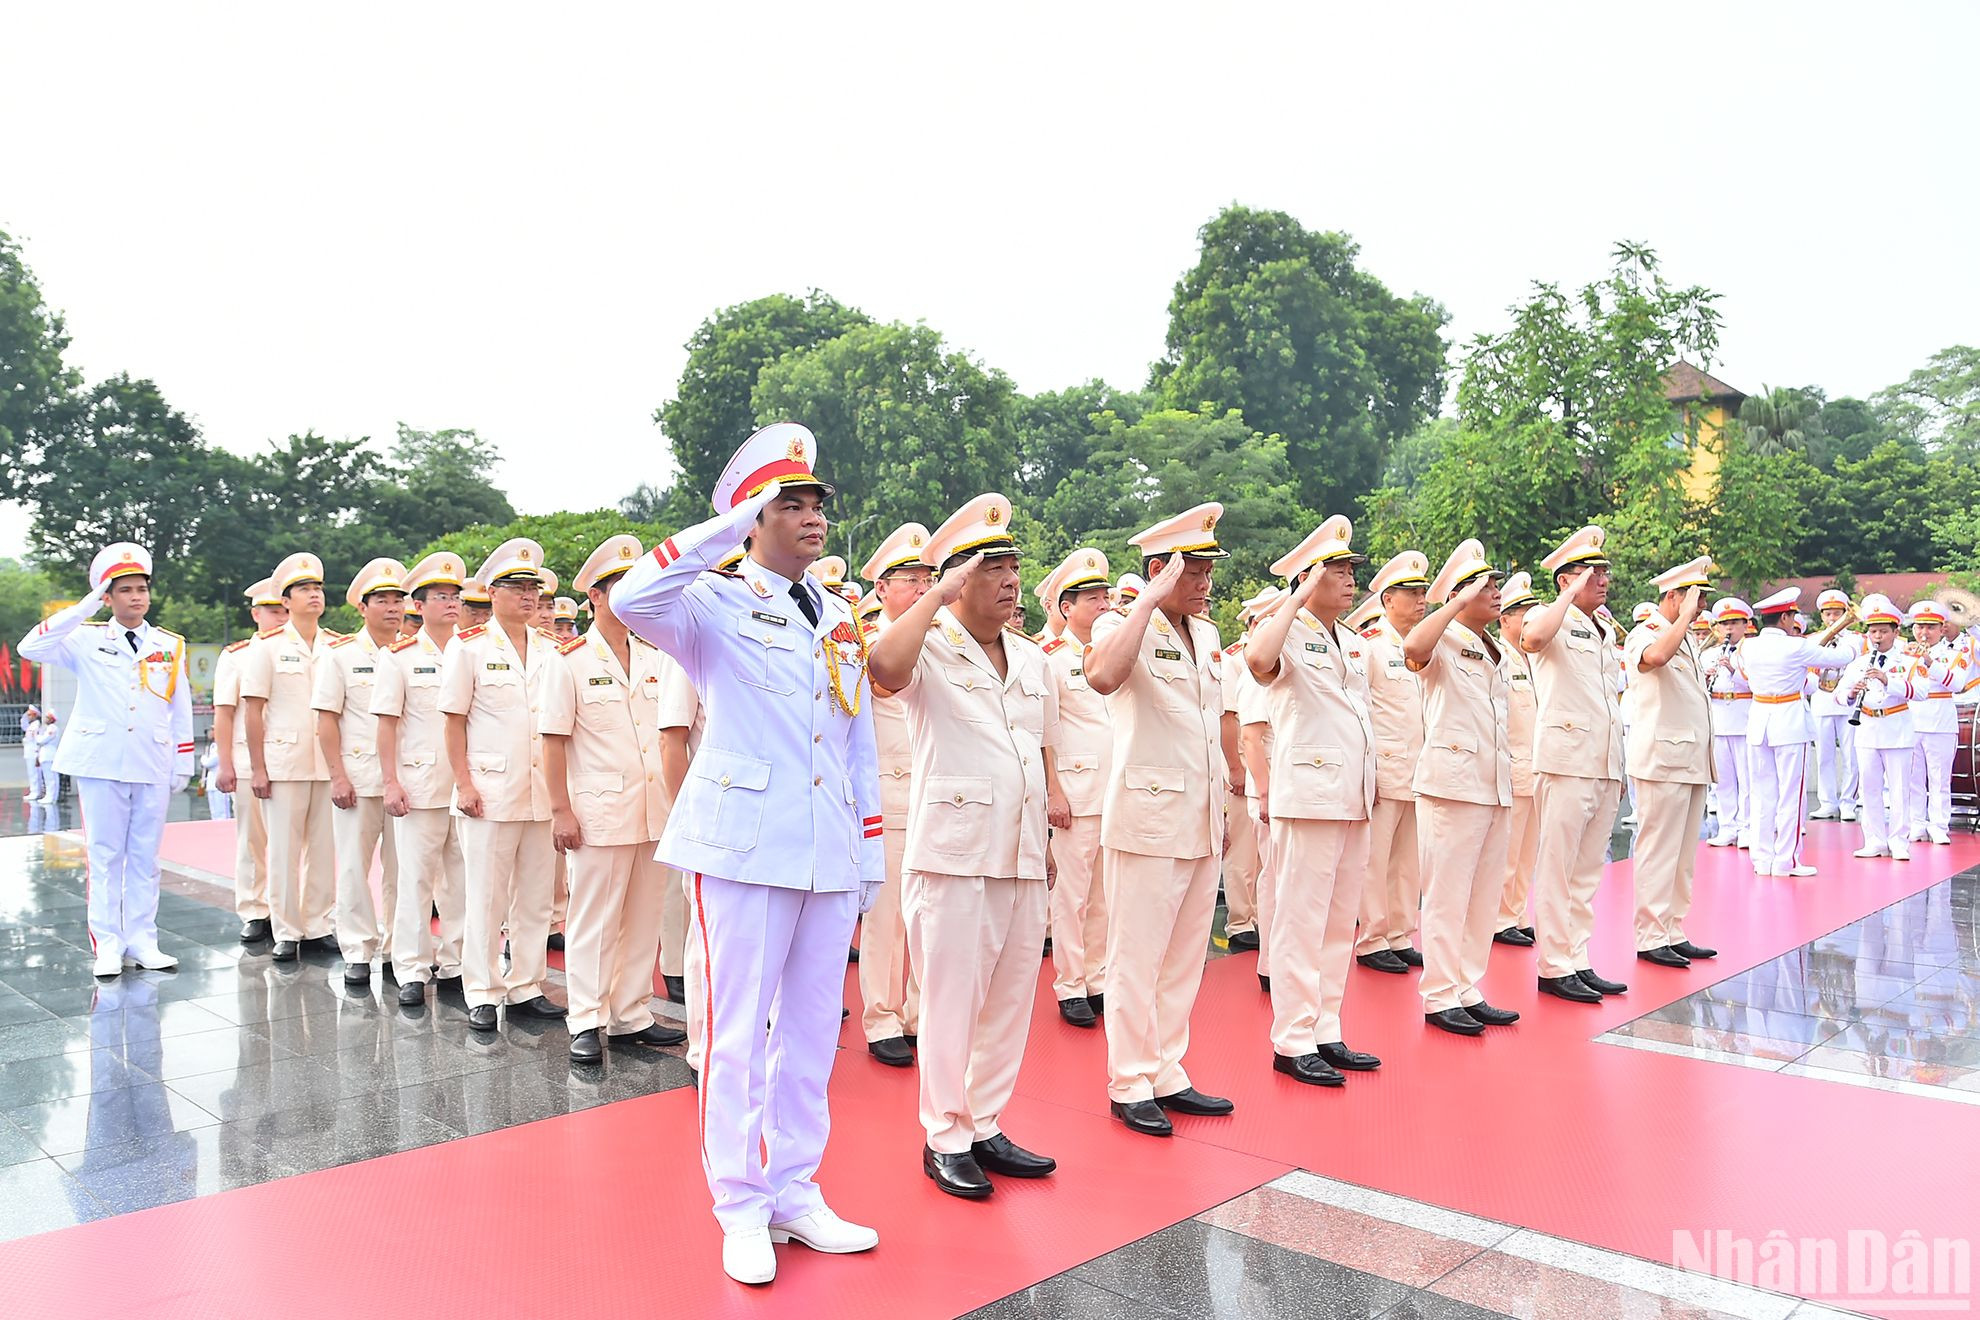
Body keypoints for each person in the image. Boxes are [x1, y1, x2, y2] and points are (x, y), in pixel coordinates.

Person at [611, 423, 882, 1285]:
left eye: (816, 505)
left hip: (825, 851)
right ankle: (738, 1201)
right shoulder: (712, 605)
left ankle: (796, 1188)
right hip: (741, 849)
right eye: (790, 505)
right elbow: (632, 599)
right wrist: (724, 527)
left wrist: (868, 849)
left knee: (807, 1035)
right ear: (755, 517)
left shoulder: (840, 616)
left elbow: (855, 742)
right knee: (734, 1034)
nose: (812, 519)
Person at [868, 493, 1069, 1198]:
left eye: (1014, 565)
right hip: (953, 855)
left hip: (1018, 852)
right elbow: (884, 671)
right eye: (993, 567)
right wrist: (934, 599)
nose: (1011, 580)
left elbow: (1034, 747)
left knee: (1012, 1001)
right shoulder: (928, 640)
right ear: (958, 579)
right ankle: (945, 1135)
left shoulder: (1031, 658)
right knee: (952, 1004)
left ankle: (985, 1122)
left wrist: (1043, 826)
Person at [1083, 502, 1234, 1135]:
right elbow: (1101, 676)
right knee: (1136, 956)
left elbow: (1207, 727)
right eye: (1192, 570)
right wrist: (1145, 603)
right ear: (1159, 569)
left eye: (1206, 570)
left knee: (1183, 956)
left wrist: (1223, 803)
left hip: (1199, 818)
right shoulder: (1120, 624)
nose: (1203, 583)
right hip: (1146, 818)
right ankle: (1128, 1078)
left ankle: (1168, 1068)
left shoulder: (1207, 634)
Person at [541, 533, 691, 1062]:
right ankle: (586, 1017)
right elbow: (553, 741)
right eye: (618, 587)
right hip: (597, 811)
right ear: (596, 597)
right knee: (594, 918)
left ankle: (631, 1013)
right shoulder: (569, 660)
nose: (630, 597)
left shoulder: (655, 656)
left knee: (645, 915)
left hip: (652, 811)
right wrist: (560, 809)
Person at [1244, 515, 1381, 1081]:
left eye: (1352, 569)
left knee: (1336, 921)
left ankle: (1327, 1028)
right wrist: (1294, 600)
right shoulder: (1287, 630)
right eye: (1338, 570)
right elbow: (1257, 663)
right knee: (1301, 920)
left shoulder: (1350, 640)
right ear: (1309, 579)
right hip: (1310, 794)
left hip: (1352, 795)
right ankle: (1293, 1039)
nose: (1351, 580)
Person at [19, 542, 193, 976]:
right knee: (104, 855)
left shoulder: (169, 645)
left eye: (142, 589)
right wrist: (83, 607)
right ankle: (108, 945)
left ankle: (143, 939)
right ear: (108, 596)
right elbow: (30, 648)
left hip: (151, 760)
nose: (136, 597)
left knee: (145, 858)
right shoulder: (84, 637)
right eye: (125, 590)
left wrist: (184, 761)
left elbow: (180, 706)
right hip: (99, 761)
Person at [440, 538, 565, 1031]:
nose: (528, 596)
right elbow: (452, 721)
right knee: (486, 898)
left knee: (534, 898)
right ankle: (483, 991)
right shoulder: (468, 647)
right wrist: (463, 784)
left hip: (540, 793)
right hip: (488, 793)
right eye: (516, 587)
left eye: (533, 587)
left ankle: (526, 985)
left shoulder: (553, 649)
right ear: (493, 593)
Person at [1405, 540, 1521, 1036]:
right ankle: (1438, 995)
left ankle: (1466, 986)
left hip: (1492, 785)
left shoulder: (1493, 645)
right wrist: (1452, 602)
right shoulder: (1444, 636)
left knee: (1481, 895)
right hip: (1452, 787)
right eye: (1486, 586)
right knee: (1448, 896)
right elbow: (1412, 648)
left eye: (1495, 584)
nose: (1496, 593)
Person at [1519, 525, 1627, 1005]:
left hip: (1601, 762)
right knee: (1558, 867)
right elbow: (1533, 639)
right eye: (1591, 573)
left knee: (1587, 871)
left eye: (1604, 572)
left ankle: (1577, 958)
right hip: (1565, 762)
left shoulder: (1603, 627)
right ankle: (1554, 965)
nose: (1602, 580)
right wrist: (1566, 597)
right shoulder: (1551, 616)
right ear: (1566, 579)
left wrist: (1617, 768)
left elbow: (1609, 702)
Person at [375, 552, 470, 1006]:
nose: (451, 604)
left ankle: (456, 962)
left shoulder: (472, 648)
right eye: (441, 597)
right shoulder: (400, 658)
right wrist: (390, 781)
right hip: (420, 785)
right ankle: (411, 967)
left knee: (463, 880)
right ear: (420, 604)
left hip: (470, 784)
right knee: (415, 880)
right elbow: (387, 724)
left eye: (456, 596)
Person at [853, 521, 933, 1066]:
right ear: (882, 588)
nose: (923, 587)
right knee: (885, 919)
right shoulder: (860, 639)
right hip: (886, 797)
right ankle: (881, 1016)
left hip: (935, 796)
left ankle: (919, 1013)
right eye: (910, 578)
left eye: (928, 577)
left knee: (930, 917)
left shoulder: (942, 635)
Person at [312, 558, 407, 985]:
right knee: (353, 867)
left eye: (398, 600)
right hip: (359, 778)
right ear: (363, 607)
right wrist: (337, 776)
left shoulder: (415, 652)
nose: (392, 608)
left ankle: (396, 949)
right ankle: (356, 947)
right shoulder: (341, 656)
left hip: (409, 780)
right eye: (382, 601)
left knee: (404, 870)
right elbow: (326, 720)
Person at [240, 553, 340, 962]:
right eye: (304, 589)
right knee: (282, 849)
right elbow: (252, 709)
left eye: (317, 588)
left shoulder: (336, 645)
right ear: (285, 601)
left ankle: (318, 924)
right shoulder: (267, 646)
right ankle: (286, 929)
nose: (314, 595)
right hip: (284, 763)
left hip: (328, 763)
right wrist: (258, 768)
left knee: (323, 848)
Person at [1622, 558, 1717, 969]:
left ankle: (1672, 928)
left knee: (1682, 854)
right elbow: (1657, 658)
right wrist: (1684, 620)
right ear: (1673, 596)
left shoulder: (1687, 637)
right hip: (1662, 760)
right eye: (1694, 598)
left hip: (1689, 758)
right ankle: (1650, 934)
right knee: (1658, 849)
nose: (1700, 607)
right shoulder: (1647, 632)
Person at [1038, 548, 1114, 1025]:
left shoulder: (1109, 652)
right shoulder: (1049, 657)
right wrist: (1054, 791)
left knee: (1107, 894)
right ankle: (1069, 984)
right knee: (1072, 894)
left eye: (1105, 596)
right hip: (1075, 790)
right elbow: (1045, 730)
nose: (1104, 604)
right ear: (1067, 607)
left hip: (1115, 790)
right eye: (1092, 597)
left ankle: (1098, 976)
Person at [1738, 588, 1854, 878]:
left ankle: (1761, 859)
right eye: (1792, 616)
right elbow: (1842, 658)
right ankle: (1785, 861)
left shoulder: (1747, 646)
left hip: (1759, 721)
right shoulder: (1796, 647)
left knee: (1763, 795)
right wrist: (1849, 640)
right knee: (1791, 795)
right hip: (1789, 722)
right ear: (1786, 617)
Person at [1355, 550, 1430, 974]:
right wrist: (1368, 771)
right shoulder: (1371, 647)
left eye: (1423, 592)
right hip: (1384, 768)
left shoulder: (1421, 644)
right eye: (1412, 592)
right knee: (1375, 859)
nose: (1421, 600)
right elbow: (1360, 710)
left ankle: (1400, 933)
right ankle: (1372, 938)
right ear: (1388, 600)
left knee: (1408, 860)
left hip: (1418, 769)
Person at [212, 578, 287, 941]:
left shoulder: (308, 649)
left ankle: (297, 914)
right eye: (273, 611)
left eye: (285, 610)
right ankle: (256, 909)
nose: (281, 617)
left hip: (295, 761)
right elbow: (225, 713)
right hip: (247, 762)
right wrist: (224, 763)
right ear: (255, 613)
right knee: (253, 839)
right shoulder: (237, 655)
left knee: (299, 844)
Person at [1219, 586, 1279, 958]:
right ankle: (1240, 920)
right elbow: (1230, 719)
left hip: (1272, 764)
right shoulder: (1232, 661)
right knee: (1242, 850)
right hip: (1244, 763)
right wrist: (1236, 768)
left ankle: (1257, 915)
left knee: (1263, 857)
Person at [1842, 594, 1916, 861]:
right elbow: (1839, 695)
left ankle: (1899, 841)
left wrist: (1888, 680)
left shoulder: (1908, 660)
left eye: (1883, 631)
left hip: (1897, 727)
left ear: (1895, 632)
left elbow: (1921, 691)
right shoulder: (1859, 662)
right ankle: (1874, 840)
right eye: (1873, 631)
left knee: (1898, 789)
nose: (1877, 637)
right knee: (1869, 788)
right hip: (1867, 728)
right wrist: (1851, 693)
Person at [1493, 573, 1540, 947]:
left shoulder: (1535, 658)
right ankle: (1499, 917)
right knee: (1507, 852)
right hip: (1511, 768)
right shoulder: (1500, 658)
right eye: (1521, 612)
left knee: (1528, 852)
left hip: (1537, 768)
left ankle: (1518, 911)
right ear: (1504, 619)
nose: (1528, 619)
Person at [1703, 599, 1755, 848]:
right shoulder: (1709, 654)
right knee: (1723, 780)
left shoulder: (1753, 652)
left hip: (1744, 719)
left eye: (1734, 623)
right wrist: (1704, 680)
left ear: (1746, 624)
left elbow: (1758, 685)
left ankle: (1747, 827)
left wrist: (1734, 672)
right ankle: (1727, 827)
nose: (1729, 629)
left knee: (1747, 780)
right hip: (1719, 720)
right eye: (1724, 624)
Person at [1906, 600, 1958, 846]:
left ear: (1941, 629)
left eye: (1930, 627)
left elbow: (1956, 684)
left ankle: (1938, 825)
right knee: (1913, 777)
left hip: (1940, 721)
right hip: (1911, 719)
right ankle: (1916, 822)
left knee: (1939, 778)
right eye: (1919, 627)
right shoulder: (1905, 653)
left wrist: (1929, 661)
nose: (1923, 632)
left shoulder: (1952, 653)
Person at [1808, 588, 1863, 822]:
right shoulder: (1812, 640)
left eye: (1837, 613)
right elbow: (1809, 672)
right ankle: (1827, 802)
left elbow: (1853, 661)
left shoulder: (1855, 639)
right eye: (1828, 614)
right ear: (1822, 616)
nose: (1832, 618)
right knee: (1824, 755)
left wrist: (1836, 638)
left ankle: (1849, 801)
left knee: (1851, 754)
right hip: (1822, 699)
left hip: (1847, 700)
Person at [201, 738, 229, 820]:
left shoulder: (221, 746)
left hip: (220, 781)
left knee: (221, 811)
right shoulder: (212, 746)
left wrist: (203, 759)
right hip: (211, 782)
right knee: (213, 811)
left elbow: (209, 763)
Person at [19, 705, 42, 803]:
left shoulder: (36, 725)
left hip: (33, 752)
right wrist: (25, 715)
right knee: (31, 773)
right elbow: (23, 724)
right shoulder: (31, 725)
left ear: (34, 715)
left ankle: (36, 792)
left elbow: (36, 740)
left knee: (35, 774)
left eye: (30, 714)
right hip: (29, 752)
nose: (28, 716)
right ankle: (34, 791)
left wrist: (37, 754)